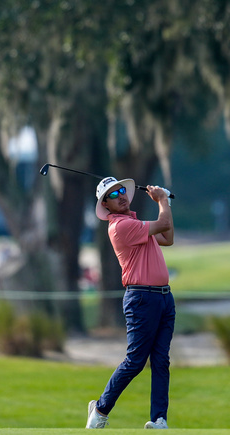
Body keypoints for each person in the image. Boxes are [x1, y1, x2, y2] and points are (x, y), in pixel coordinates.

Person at [86, 176, 175, 430]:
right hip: (142, 298)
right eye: (113, 195)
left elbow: (168, 237)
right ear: (105, 205)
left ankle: (159, 419)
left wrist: (164, 204)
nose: (121, 196)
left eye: (122, 190)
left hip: (164, 298)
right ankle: (100, 409)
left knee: (161, 361)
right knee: (136, 360)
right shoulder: (120, 227)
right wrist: (163, 200)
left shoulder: (135, 223)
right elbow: (164, 222)